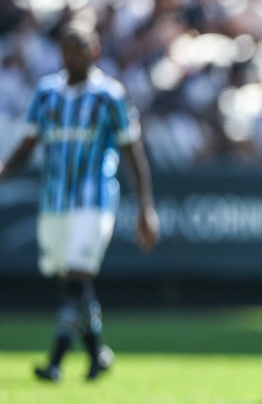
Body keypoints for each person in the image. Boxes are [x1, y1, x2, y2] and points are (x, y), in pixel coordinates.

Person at [0, 24, 160, 382]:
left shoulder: (110, 95)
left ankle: (55, 360)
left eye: (80, 50)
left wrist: (145, 207)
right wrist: (4, 171)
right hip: (55, 201)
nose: (73, 57)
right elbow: (28, 144)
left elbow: (132, 151)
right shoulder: (46, 93)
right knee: (72, 283)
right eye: (68, 51)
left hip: (94, 200)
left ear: (95, 51)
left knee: (76, 278)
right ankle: (97, 353)